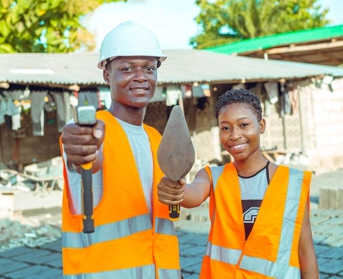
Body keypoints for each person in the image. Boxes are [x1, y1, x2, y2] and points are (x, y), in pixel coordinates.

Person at [60, 21, 181, 278]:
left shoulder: (157, 139)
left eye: (149, 68)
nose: (140, 77)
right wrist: (81, 149)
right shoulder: (90, 128)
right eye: (127, 69)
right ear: (107, 75)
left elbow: (165, 219)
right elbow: (87, 157)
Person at [158, 88, 319, 278]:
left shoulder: (293, 183)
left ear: (261, 125)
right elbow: (193, 194)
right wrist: (176, 190)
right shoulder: (212, 176)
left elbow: (305, 252)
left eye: (243, 125)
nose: (234, 135)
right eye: (225, 128)